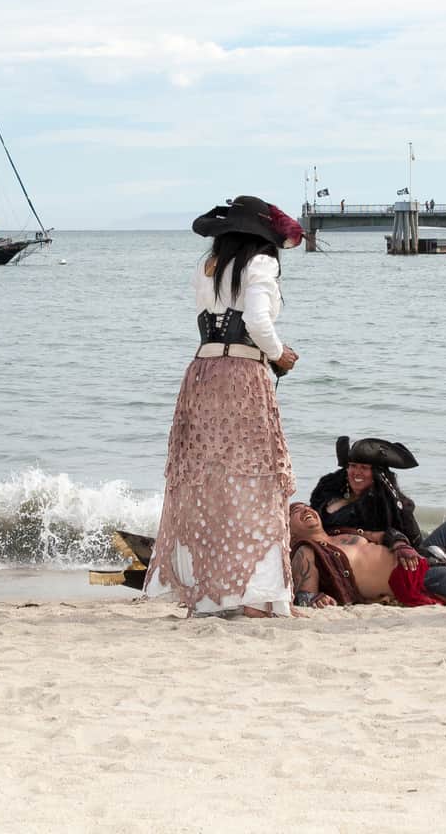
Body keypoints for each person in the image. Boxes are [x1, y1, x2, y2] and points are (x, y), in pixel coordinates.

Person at [143, 195, 303, 618]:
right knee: (255, 482)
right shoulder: (261, 265)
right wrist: (279, 353)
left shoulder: (207, 266)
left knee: (207, 482)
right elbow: (256, 322)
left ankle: (210, 595)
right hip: (242, 376)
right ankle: (255, 598)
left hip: (201, 373)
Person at [309, 436, 446, 571]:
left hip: (415, 552)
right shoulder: (330, 497)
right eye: (353, 466)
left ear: (377, 475)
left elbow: (410, 540)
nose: (356, 472)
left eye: (364, 468)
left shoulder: (386, 505)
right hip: (373, 562)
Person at [286, 503, 446, 607]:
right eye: (296, 511)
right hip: (411, 580)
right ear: (289, 531)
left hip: (418, 557)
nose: (306, 510)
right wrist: (313, 599)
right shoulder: (307, 550)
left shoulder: (341, 533)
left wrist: (401, 544)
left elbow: (385, 534)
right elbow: (305, 595)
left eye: (307, 507)